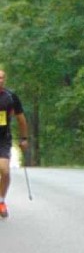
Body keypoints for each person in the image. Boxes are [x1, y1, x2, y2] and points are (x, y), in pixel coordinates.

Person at [0, 70, 30, 219]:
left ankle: (1, 201)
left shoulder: (11, 97)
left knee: (5, 171)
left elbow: (21, 119)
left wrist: (24, 138)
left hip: (3, 139)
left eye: (1, 78)